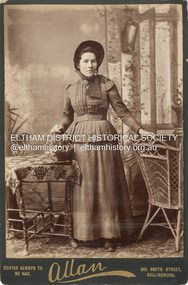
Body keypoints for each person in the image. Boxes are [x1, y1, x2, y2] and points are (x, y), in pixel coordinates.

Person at [52, 40, 148, 252]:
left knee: (106, 186)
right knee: (84, 186)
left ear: (98, 63)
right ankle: (85, 234)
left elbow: (122, 112)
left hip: (104, 138)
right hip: (79, 142)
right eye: (85, 61)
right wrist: (60, 126)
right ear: (77, 64)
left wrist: (140, 130)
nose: (90, 65)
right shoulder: (70, 89)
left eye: (93, 61)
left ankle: (109, 235)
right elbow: (67, 115)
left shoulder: (107, 85)